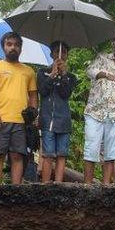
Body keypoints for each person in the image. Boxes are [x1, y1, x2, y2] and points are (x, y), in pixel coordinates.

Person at [0, 31, 38, 184]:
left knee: (17, 156)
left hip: (21, 121)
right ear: (3, 47)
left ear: (21, 48)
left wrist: (33, 115)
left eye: (16, 45)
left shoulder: (28, 71)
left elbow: (33, 96)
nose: (13, 48)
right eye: (9, 44)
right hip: (0, 118)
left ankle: (15, 191)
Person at [84, 32, 115, 184]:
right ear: (114, 43)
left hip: (114, 116)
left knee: (111, 154)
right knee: (91, 151)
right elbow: (90, 71)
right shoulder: (102, 57)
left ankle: (106, 188)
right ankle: (87, 187)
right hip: (94, 113)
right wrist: (107, 75)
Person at [37, 40, 77, 183]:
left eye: (64, 52)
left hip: (63, 121)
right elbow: (43, 91)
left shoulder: (71, 77)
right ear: (51, 54)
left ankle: (59, 186)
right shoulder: (42, 72)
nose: (60, 54)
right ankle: (46, 185)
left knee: (61, 155)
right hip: (48, 120)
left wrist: (63, 75)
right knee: (47, 155)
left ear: (67, 55)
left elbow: (65, 93)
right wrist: (53, 74)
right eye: (57, 52)